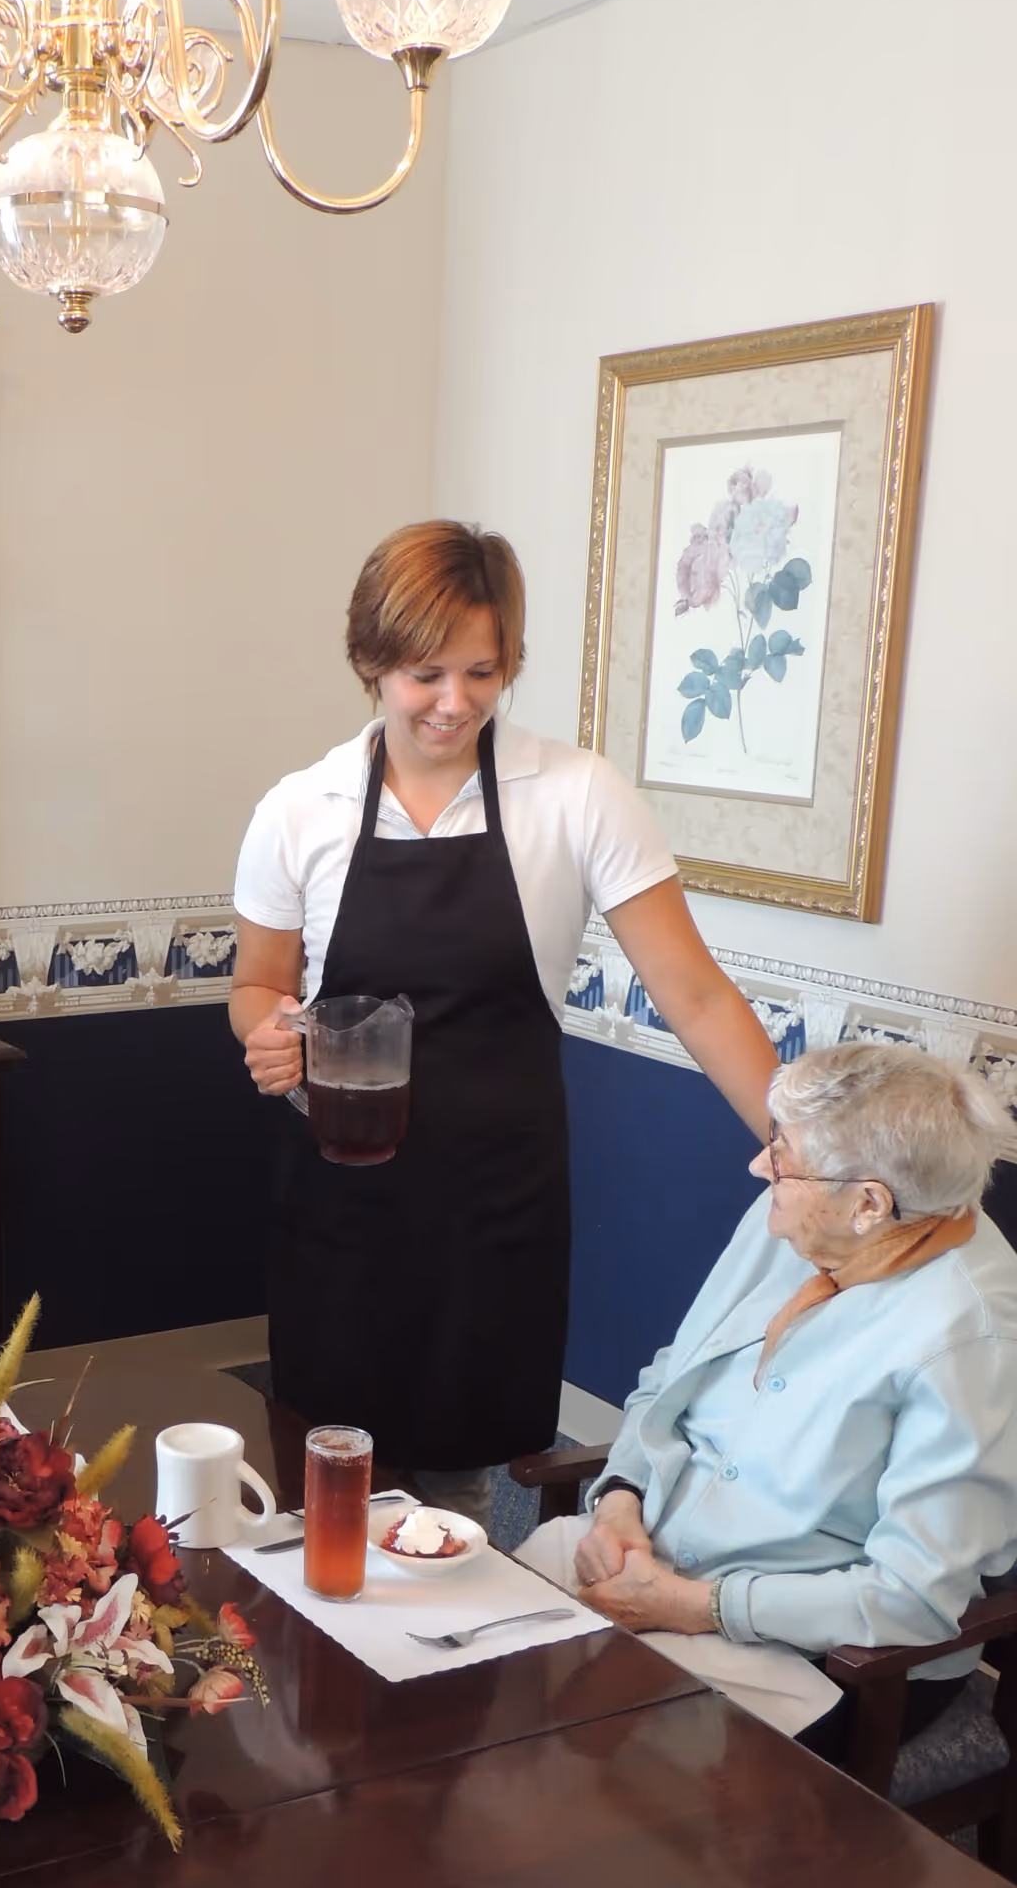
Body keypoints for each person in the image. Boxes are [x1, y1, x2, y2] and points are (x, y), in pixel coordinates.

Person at [231, 520, 778, 1522]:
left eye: (483, 673)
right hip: (341, 1204)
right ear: (370, 662)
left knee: (455, 1488)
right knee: (330, 1474)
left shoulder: (576, 795)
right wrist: (267, 1034)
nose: (455, 704)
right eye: (424, 674)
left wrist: (800, 1142)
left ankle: (451, 1666)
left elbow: (694, 994)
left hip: (493, 1207)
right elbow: (258, 983)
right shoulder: (301, 808)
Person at [514, 1043, 1017, 1750]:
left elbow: (911, 1597)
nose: (761, 1167)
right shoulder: (792, 1219)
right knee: (460, 1663)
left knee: (572, 1758)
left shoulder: (970, 1334)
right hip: (647, 1554)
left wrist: (698, 1606)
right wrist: (621, 1498)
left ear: (869, 1202)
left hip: (811, 1649)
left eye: (783, 1158)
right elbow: (669, 1377)